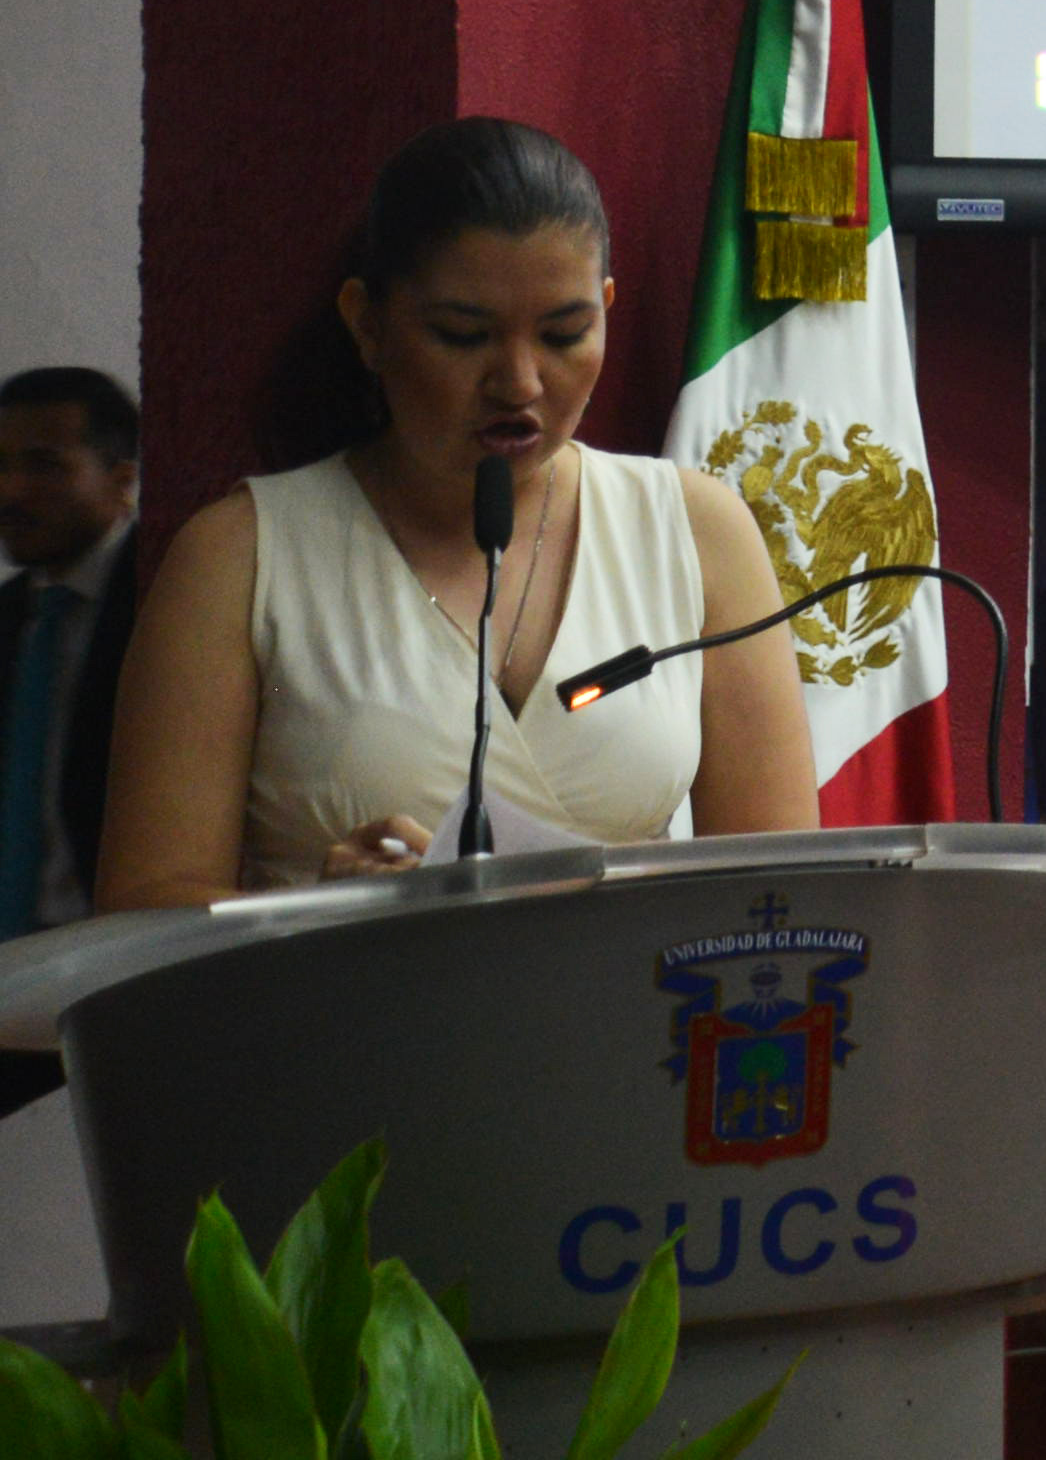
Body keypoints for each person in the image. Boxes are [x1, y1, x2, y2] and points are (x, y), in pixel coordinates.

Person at [100, 121, 816, 906]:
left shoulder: (697, 530)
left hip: (630, 1020)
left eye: (564, 333)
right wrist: (321, 912)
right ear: (367, 323)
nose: (518, 382)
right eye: (462, 335)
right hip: (343, 1021)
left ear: (607, 308)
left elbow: (780, 892)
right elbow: (142, 907)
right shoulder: (239, 556)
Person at [1, 368, 145, 933]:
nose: (9, 491)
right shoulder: (13, 616)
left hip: (110, 955)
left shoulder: (161, 600)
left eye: (44, 465)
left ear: (122, 479)